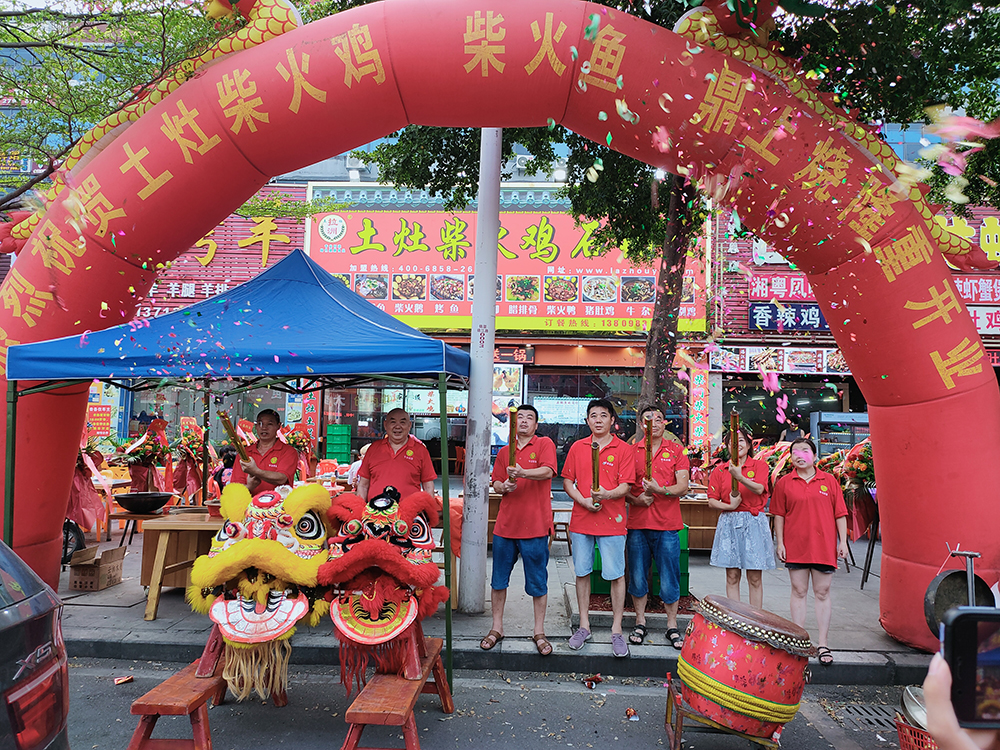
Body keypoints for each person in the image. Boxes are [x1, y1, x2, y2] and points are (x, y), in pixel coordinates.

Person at [481, 404, 558, 656]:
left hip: (535, 526)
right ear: (514, 424)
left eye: (529, 418)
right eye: (520, 417)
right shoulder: (506, 451)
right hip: (505, 526)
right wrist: (502, 486)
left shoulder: (544, 444)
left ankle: (539, 631)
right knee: (498, 580)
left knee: (538, 582)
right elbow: (495, 482)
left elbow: (548, 471)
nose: (524, 421)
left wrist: (523, 473)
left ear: (536, 424)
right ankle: (497, 628)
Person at [562, 398, 636, 658]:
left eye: (603, 415)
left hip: (612, 522)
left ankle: (617, 629)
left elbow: (626, 486)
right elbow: (568, 481)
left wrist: (607, 494)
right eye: (593, 415)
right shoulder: (577, 447)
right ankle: (584, 625)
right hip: (582, 521)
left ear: (612, 420)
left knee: (616, 574)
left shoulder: (623, 449)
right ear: (587, 421)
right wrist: (583, 500)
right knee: (582, 572)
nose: (598, 420)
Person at [771, 437, 849, 666]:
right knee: (798, 590)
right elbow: (779, 515)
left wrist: (843, 542)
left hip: (823, 546)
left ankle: (823, 643)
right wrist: (780, 543)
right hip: (796, 545)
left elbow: (840, 513)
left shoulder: (829, 481)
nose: (800, 455)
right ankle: (799, 641)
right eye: (795, 452)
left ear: (814, 456)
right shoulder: (784, 483)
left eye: (805, 451)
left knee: (822, 592)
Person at [626, 404, 690, 650]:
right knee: (638, 576)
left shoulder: (676, 450)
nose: (654, 422)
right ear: (641, 424)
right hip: (638, 525)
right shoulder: (631, 451)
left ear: (665, 423)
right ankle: (640, 621)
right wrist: (636, 500)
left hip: (667, 526)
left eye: (659, 418)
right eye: (648, 419)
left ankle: (672, 625)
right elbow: (623, 489)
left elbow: (682, 487)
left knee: (669, 577)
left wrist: (659, 489)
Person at [707, 424, 775, 609]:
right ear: (727, 447)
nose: (737, 445)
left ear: (749, 444)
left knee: (754, 577)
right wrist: (729, 506)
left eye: (742, 441)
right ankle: (735, 617)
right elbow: (711, 501)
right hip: (729, 521)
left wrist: (739, 477)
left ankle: (755, 618)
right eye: (732, 442)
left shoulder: (760, 466)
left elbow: (760, 488)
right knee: (732, 575)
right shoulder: (719, 470)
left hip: (753, 521)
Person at [357, 408, 436, 500]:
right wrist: (359, 507)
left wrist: (429, 507)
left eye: (402, 422)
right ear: (385, 425)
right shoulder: (373, 449)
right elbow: (363, 485)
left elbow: (428, 486)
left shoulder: (421, 450)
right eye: (393, 422)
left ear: (409, 425)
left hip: (410, 508)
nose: (397, 426)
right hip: (375, 508)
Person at [229, 409, 299, 494]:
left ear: (278, 426)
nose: (264, 428)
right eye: (260, 423)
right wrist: (250, 487)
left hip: (279, 502)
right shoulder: (244, 453)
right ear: (256, 427)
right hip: (249, 502)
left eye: (270, 424)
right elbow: (235, 489)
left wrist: (255, 471)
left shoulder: (288, 451)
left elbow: (282, 478)